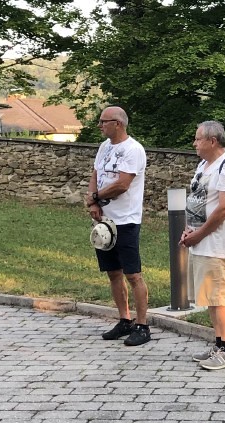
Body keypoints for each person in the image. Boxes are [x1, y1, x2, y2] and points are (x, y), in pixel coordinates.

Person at [85, 106, 150, 346]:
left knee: (133, 274)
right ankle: (124, 319)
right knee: (113, 272)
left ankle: (142, 325)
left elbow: (122, 184)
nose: (100, 125)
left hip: (126, 220)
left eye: (104, 121)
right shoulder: (104, 147)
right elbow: (96, 173)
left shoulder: (133, 150)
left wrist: (95, 197)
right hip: (104, 220)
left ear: (118, 124)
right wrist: (93, 201)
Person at [181, 120, 225, 370]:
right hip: (201, 241)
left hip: (217, 243)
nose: (194, 143)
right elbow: (199, 199)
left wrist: (199, 234)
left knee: (220, 295)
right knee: (211, 296)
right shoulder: (204, 165)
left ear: (212, 141)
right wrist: (190, 230)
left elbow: (223, 208)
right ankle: (218, 344)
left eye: (198, 139)